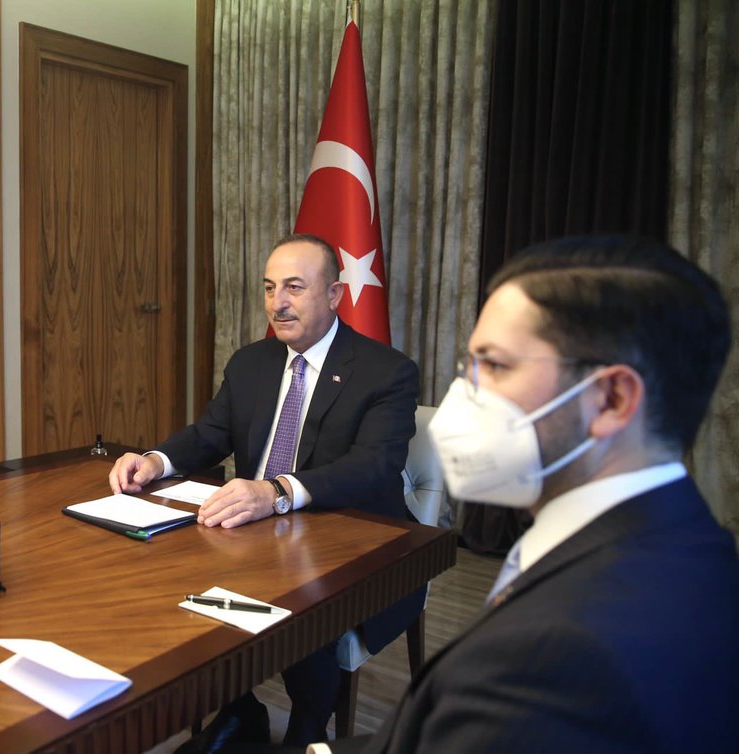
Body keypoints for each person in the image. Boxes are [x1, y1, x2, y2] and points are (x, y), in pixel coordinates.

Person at [307, 235, 739, 754]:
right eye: (470, 367)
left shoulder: (566, 650)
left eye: (495, 366)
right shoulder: (684, 537)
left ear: (610, 399)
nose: (463, 396)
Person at [109, 233, 424, 746]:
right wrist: (154, 460)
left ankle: (305, 732)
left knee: (308, 610)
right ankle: (238, 711)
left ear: (334, 295)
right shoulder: (251, 363)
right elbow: (210, 435)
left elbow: (375, 466)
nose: (277, 303)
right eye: (269, 287)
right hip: (253, 535)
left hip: (347, 538)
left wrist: (276, 490)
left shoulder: (386, 372)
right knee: (167, 582)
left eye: (294, 287)